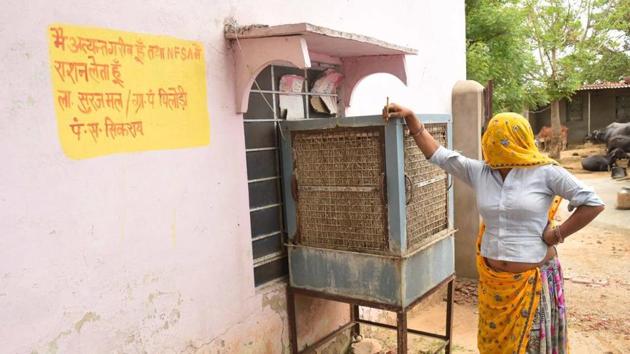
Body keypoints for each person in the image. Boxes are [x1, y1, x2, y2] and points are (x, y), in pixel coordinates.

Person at [383, 103, 605, 354]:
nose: (494, 147)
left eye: (501, 141)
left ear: (518, 142)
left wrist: (557, 234)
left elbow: (593, 203)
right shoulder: (481, 172)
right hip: (494, 285)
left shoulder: (545, 172)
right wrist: (412, 118)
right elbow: (439, 155)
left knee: (530, 348)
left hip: (531, 285)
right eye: (492, 139)